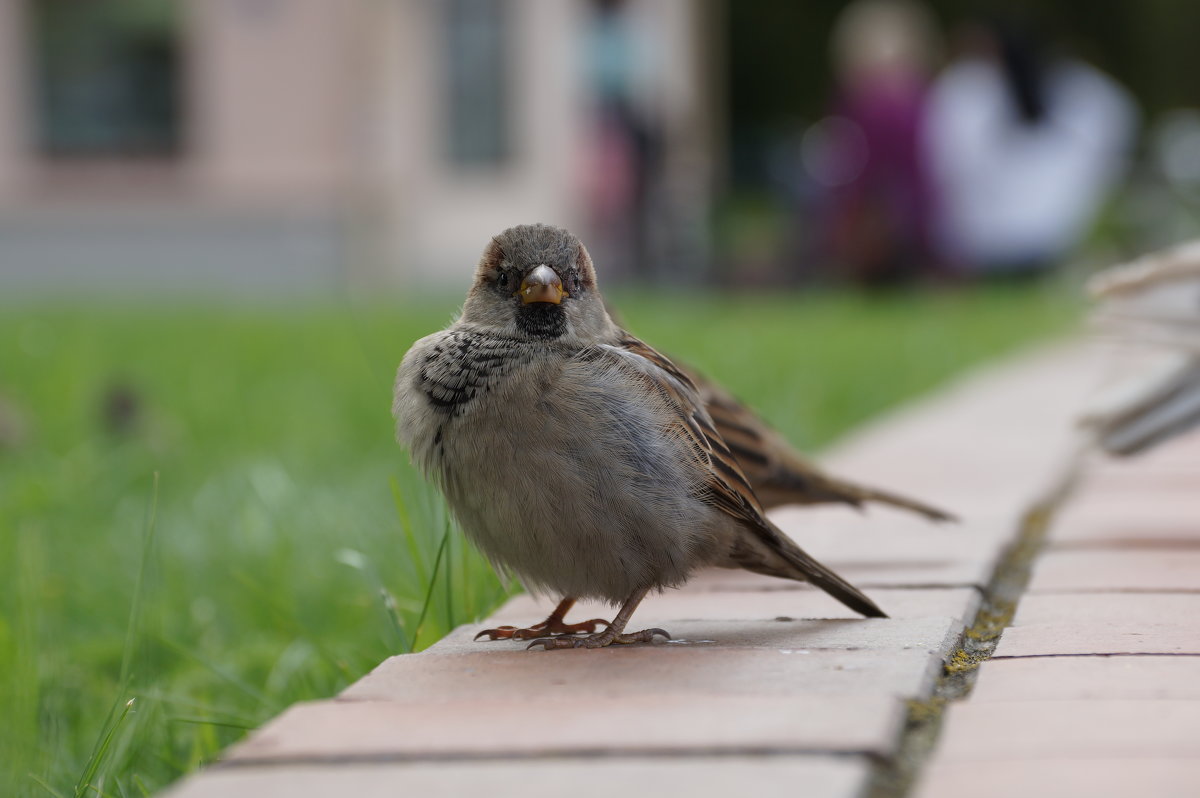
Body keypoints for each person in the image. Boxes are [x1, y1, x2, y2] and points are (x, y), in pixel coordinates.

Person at [923, 20, 1139, 277]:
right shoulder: (976, 92)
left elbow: (950, 163)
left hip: (1004, 240)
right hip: (1032, 238)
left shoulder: (967, 93)